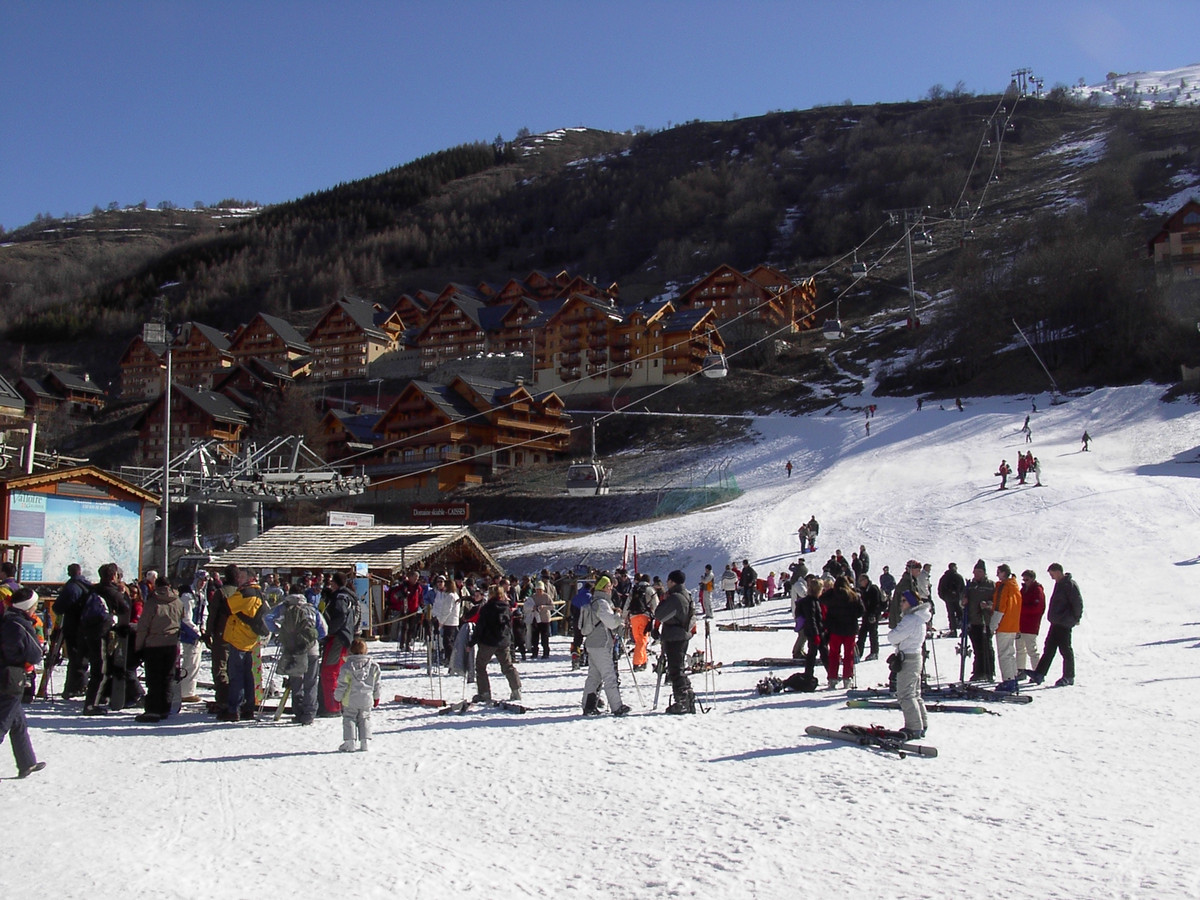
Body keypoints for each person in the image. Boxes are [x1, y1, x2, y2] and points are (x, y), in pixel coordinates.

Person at [0, 587, 46, 778]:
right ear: (28, 608)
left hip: (5, 673)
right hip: (11, 676)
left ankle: (26, 762)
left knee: (18, 722)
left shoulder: (6, 619)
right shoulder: (20, 624)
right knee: (3, 722)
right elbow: (35, 654)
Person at [269, 582, 325, 725]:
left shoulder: (283, 607)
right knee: (310, 682)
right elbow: (324, 629)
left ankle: (298, 712)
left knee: (296, 682)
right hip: (311, 649)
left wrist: (279, 631)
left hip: (292, 649)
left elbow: (267, 618)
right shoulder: (310, 608)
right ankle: (309, 714)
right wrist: (313, 639)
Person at [577, 578, 630, 717]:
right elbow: (612, 623)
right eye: (608, 586)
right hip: (601, 644)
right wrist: (618, 615)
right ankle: (617, 706)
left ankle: (588, 706)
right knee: (609, 675)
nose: (611, 588)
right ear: (603, 588)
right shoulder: (602, 603)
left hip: (593, 643)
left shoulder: (595, 602)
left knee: (594, 677)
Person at [133, 582, 182, 722]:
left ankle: (153, 710)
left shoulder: (152, 603)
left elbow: (143, 626)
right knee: (168, 677)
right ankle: (165, 707)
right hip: (171, 643)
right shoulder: (177, 602)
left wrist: (138, 646)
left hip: (154, 644)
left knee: (154, 678)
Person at [220, 568, 265, 722]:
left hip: (239, 638)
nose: (238, 579)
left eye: (242, 576)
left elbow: (227, 606)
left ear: (250, 578)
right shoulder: (259, 593)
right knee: (248, 676)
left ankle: (234, 709)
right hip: (250, 638)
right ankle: (248, 708)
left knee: (236, 676)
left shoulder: (245, 593)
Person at [1029, 564, 1083, 687]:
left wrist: (1075, 618)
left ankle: (1069, 676)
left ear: (1058, 572)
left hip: (1064, 623)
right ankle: (1039, 673)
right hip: (1056, 622)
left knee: (1065, 649)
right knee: (1049, 648)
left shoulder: (1069, 585)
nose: (1051, 577)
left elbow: (1077, 603)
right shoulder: (1059, 584)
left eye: (1052, 574)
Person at [888, 589, 931, 741]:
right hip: (916, 656)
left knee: (905, 694)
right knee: (914, 693)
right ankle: (922, 723)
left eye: (904, 601)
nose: (901, 604)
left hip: (908, 658)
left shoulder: (910, 619)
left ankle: (914, 726)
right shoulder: (920, 618)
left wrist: (897, 640)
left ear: (911, 602)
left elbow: (893, 637)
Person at [652, 570, 696, 714]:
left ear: (672, 582)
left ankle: (682, 701)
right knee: (679, 667)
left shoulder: (675, 597)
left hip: (674, 636)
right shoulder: (686, 594)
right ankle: (687, 696)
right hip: (683, 634)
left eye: (668, 581)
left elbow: (659, 614)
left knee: (675, 669)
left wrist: (664, 600)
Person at [471, 584, 522, 703]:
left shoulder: (486, 608)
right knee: (507, 666)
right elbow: (509, 626)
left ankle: (484, 693)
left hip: (488, 642)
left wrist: (472, 642)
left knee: (480, 666)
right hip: (503, 641)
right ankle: (516, 690)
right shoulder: (506, 608)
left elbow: (480, 627)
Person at [52, 563, 93, 698]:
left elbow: (58, 607)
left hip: (73, 625)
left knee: (75, 657)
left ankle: (74, 686)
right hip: (86, 625)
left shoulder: (72, 587)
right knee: (83, 656)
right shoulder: (88, 586)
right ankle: (81, 684)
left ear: (69, 573)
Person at [320, 572, 358, 715]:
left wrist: (329, 630)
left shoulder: (340, 597)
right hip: (346, 636)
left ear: (335, 583)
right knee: (340, 671)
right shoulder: (349, 596)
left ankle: (332, 706)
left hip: (338, 637)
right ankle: (339, 703)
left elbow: (340, 615)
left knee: (330, 671)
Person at [336, 638, 380, 751]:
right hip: (367, 698)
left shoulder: (346, 667)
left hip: (350, 699)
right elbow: (377, 684)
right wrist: (376, 697)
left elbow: (342, 685)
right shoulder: (374, 666)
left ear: (350, 650)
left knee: (349, 718)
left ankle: (350, 742)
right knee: (365, 718)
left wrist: (337, 697)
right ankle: (365, 741)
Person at [822, 575, 863, 689]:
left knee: (834, 654)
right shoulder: (853, 595)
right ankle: (847, 677)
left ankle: (832, 678)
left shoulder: (832, 595)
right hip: (850, 629)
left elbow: (822, 598)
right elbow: (861, 610)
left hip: (835, 629)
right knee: (849, 654)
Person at [963, 560, 996, 682]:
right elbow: (963, 599)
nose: (976, 574)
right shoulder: (970, 586)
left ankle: (989, 671)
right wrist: (963, 601)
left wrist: (988, 605)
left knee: (987, 647)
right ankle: (978, 671)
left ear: (984, 572)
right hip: (973, 621)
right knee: (977, 648)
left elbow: (996, 602)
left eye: (979, 572)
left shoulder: (990, 585)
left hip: (986, 621)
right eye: (975, 572)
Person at [991, 564, 1022, 692]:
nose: (997, 575)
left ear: (1004, 573)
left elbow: (1000, 607)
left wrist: (993, 625)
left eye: (998, 572)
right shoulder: (1014, 586)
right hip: (1013, 625)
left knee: (1004, 654)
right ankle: (1013, 678)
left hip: (1004, 625)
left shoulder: (1004, 587)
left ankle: (1008, 680)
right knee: (1010, 653)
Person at [177, 582, 204, 704]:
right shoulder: (187, 596)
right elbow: (186, 618)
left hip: (198, 631)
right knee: (190, 662)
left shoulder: (200, 595)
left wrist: (203, 628)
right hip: (189, 634)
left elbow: (204, 614)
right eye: (201, 580)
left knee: (195, 663)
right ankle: (186, 692)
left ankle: (189, 690)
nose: (203, 583)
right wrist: (197, 632)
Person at [1017, 569, 1045, 678]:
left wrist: (1021, 609)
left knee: (1031, 650)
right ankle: (1021, 670)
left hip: (1030, 625)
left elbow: (1037, 608)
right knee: (1020, 649)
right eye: (1023, 579)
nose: (1025, 581)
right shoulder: (1023, 589)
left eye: (1027, 579)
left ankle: (1037, 672)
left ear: (1032, 579)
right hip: (1020, 624)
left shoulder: (1037, 590)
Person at [626, 573, 656, 670]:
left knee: (638, 639)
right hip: (644, 616)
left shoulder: (634, 589)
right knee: (642, 640)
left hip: (633, 617)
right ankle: (637, 663)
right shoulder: (650, 590)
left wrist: (624, 616)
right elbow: (656, 604)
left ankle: (643, 661)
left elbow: (627, 603)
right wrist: (656, 616)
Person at [431, 574, 463, 664]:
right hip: (452, 621)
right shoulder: (454, 595)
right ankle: (449, 658)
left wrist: (441, 622)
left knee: (447, 642)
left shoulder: (450, 596)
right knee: (448, 641)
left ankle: (451, 659)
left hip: (449, 622)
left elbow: (447, 611)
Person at [855, 572, 883, 661]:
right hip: (866, 615)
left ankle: (874, 652)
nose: (860, 582)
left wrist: (873, 614)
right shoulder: (862, 590)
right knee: (862, 634)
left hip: (873, 615)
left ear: (866, 580)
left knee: (873, 634)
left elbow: (876, 603)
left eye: (862, 580)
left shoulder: (873, 589)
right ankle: (858, 653)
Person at [937, 562, 965, 634]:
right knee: (960, 614)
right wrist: (961, 597)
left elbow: (940, 589)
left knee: (951, 614)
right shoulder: (958, 577)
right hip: (957, 599)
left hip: (948, 599)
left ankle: (953, 630)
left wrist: (944, 597)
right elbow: (963, 588)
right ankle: (963, 630)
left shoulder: (944, 577)